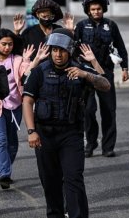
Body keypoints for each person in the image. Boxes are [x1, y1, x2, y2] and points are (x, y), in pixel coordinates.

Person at [22, 28, 111, 218]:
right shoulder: (40, 72)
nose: (58, 54)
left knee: (74, 179)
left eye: (62, 50)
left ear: (69, 50)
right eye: (54, 50)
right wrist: (31, 131)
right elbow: (27, 101)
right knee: (50, 182)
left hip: (71, 134)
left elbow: (106, 85)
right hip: (44, 135)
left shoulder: (79, 68)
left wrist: (86, 75)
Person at [0, 28, 50, 190]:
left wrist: (37, 59)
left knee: (12, 143)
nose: (7, 47)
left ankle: (5, 163)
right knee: (0, 140)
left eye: (10, 44)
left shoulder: (18, 60)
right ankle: (4, 174)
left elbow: (27, 73)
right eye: (4, 44)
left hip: (15, 107)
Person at [74, 0, 129, 158]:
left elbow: (121, 47)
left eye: (99, 8)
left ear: (103, 9)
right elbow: (74, 48)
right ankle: (90, 143)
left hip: (106, 73)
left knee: (109, 110)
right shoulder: (81, 26)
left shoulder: (111, 25)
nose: (96, 11)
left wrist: (125, 68)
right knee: (88, 111)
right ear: (88, 10)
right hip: (86, 73)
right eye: (93, 9)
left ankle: (108, 147)